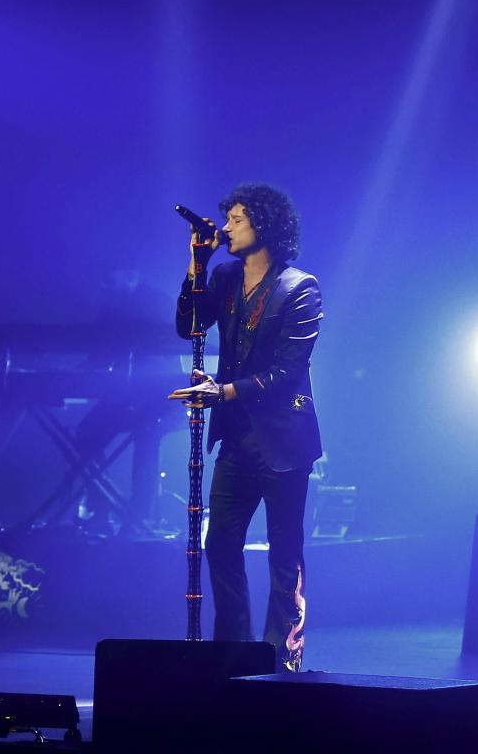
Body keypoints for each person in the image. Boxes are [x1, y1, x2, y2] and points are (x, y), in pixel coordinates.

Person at [170, 184, 322, 672]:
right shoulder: (227, 277)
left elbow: (288, 371)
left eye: (238, 219)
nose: (228, 227)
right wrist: (198, 262)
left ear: (265, 225)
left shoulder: (300, 287)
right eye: (228, 219)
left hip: (283, 441)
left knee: (284, 552)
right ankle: (234, 652)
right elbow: (188, 323)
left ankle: (283, 658)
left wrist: (224, 391)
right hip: (236, 439)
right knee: (220, 543)